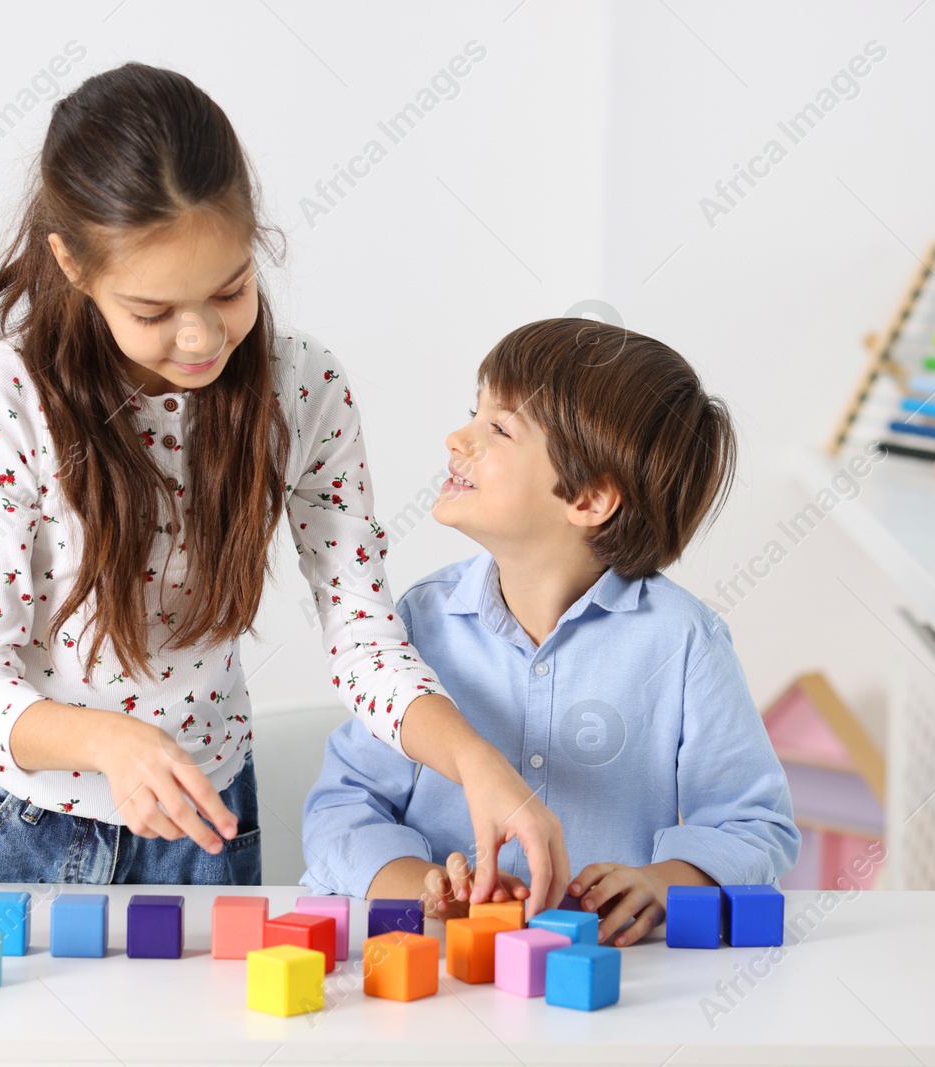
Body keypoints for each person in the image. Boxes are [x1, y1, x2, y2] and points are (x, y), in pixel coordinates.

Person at [0, 62, 568, 907]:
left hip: (201, 838)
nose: (201, 336)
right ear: (71, 263)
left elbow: (364, 637)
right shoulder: (10, 392)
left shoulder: (305, 389)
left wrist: (475, 759)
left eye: (231, 288)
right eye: (152, 311)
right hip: (5, 826)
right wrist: (109, 743)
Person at [300, 318, 799, 945]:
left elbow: (755, 826)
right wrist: (422, 886)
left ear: (588, 498)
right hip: (440, 976)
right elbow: (341, 813)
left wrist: (663, 882)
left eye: (499, 428)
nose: (458, 437)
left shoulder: (684, 643)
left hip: (606, 988)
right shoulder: (418, 626)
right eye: (472, 414)